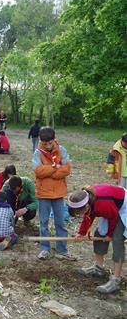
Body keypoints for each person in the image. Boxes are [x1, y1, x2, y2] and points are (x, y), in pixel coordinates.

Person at [68, 184, 127, 294]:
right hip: (112, 207)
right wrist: (81, 233)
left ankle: (116, 280)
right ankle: (98, 269)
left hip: (124, 206)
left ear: (86, 206)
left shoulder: (102, 204)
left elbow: (113, 217)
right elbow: (88, 216)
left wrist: (110, 235)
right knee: (99, 234)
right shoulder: (88, 201)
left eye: (78, 213)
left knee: (117, 239)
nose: (79, 215)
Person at [32, 126, 75, 261]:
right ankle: (45, 249)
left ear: (54, 139)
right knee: (44, 223)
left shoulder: (61, 150)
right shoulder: (37, 153)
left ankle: (62, 250)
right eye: (45, 143)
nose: (48, 146)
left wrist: (51, 172)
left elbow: (67, 169)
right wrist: (55, 167)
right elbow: (38, 171)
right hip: (43, 193)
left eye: (50, 143)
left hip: (58, 193)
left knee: (60, 222)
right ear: (41, 141)